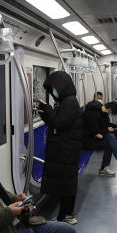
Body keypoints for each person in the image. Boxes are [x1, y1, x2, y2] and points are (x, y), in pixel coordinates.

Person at [36, 70, 83, 224]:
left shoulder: (70, 102)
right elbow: (57, 122)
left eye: (55, 89)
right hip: (66, 150)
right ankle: (66, 214)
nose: (54, 92)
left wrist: (48, 111)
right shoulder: (66, 102)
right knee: (66, 184)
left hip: (66, 151)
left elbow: (60, 124)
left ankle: (66, 216)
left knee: (67, 186)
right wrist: (45, 113)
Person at [83, 100, 117, 176]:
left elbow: (103, 125)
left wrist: (110, 128)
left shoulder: (103, 111)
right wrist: (106, 130)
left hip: (95, 134)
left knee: (110, 139)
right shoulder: (92, 114)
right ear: (109, 110)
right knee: (109, 140)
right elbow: (95, 131)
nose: (110, 115)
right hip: (87, 138)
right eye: (111, 113)